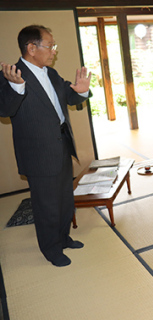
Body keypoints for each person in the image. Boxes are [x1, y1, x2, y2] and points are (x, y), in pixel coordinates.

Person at [0, 25, 91, 267]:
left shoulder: (50, 73)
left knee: (64, 199)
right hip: (38, 154)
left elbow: (68, 95)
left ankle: (63, 238)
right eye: (50, 46)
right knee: (46, 205)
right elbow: (5, 110)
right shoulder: (10, 76)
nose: (53, 51)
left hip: (62, 146)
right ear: (31, 48)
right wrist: (16, 86)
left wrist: (82, 92)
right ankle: (50, 249)